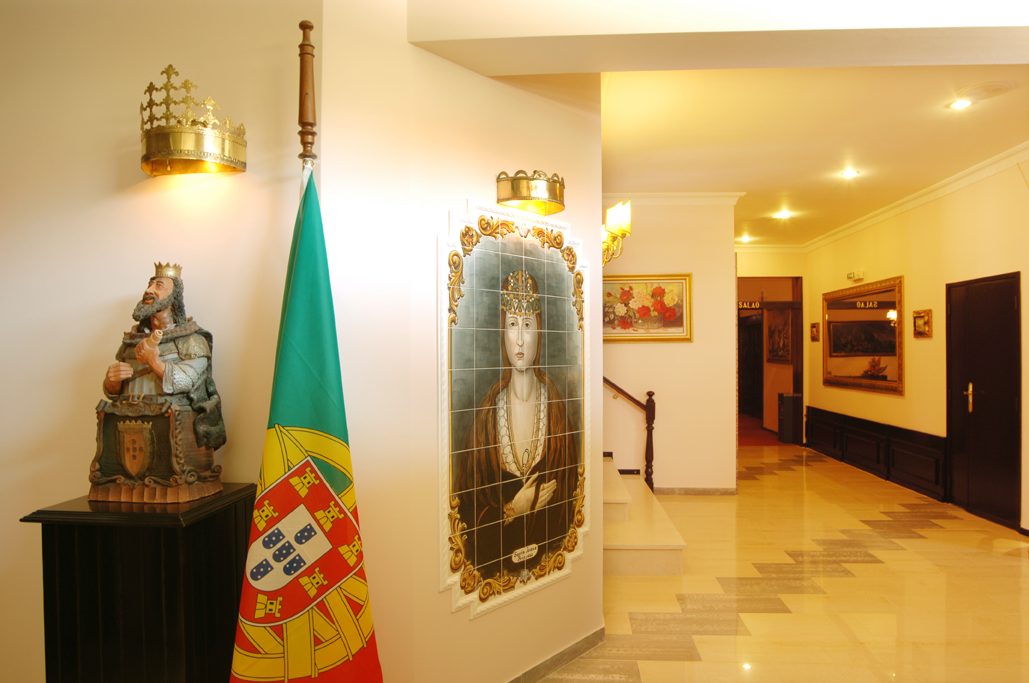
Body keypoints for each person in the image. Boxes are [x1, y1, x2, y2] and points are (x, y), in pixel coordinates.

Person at [457, 270, 579, 580]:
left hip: (549, 567)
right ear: (502, 333)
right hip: (496, 571)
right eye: (512, 325)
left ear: (540, 331)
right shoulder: (485, 420)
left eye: (528, 325)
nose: (521, 339)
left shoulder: (557, 415)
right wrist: (513, 508)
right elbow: (465, 509)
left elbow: (571, 502)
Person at [90, 262, 224, 501]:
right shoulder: (132, 341)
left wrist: (155, 362)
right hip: (130, 425)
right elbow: (116, 392)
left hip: (172, 428)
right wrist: (112, 382)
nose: (149, 290)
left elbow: (188, 381)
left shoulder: (192, 340)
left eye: (159, 285)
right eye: (150, 284)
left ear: (174, 298)